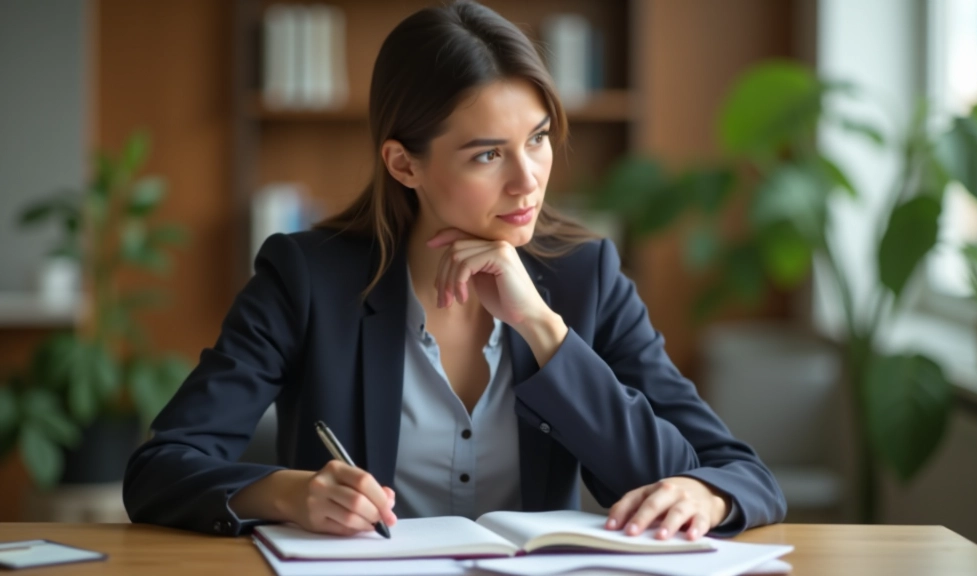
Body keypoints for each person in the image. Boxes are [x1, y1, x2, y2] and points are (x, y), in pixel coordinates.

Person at [123, 0, 786, 542]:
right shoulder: (307, 278)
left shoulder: (586, 277)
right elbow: (160, 470)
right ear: (403, 164)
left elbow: (740, 476)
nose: (528, 180)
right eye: (488, 155)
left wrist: (545, 332)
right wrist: (287, 493)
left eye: (538, 138)